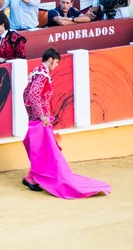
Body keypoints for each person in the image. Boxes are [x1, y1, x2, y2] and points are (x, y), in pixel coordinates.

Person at [22, 48, 110, 198]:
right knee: (45, 149)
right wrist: (41, 115)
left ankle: (31, 177)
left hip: (38, 118)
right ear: (50, 60)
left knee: (44, 148)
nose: (56, 66)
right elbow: (33, 95)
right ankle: (30, 178)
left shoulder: (37, 71)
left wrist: (33, 114)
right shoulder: (42, 75)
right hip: (40, 119)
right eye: (56, 63)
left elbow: (26, 94)